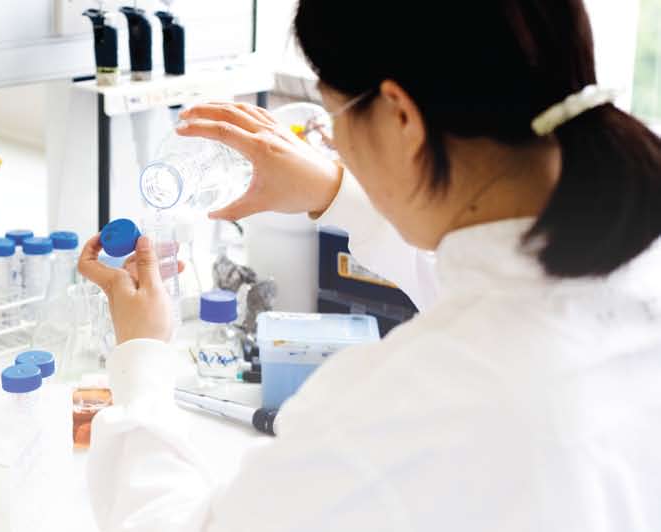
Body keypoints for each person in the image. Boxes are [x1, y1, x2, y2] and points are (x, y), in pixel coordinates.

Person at [78, 1, 661, 530]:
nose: (336, 145)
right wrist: (336, 190)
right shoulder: (626, 253)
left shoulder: (401, 410)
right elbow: (494, 300)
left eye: (334, 119)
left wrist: (142, 362)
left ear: (401, 117)